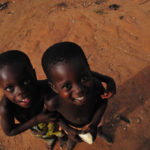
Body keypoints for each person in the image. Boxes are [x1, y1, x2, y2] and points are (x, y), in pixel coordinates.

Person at [42, 42, 116, 150]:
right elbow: (54, 117)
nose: (79, 90)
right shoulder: (52, 101)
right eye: (67, 86)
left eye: (84, 78)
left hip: (95, 119)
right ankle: (71, 141)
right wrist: (67, 128)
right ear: (54, 88)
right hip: (71, 126)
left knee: (99, 128)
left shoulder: (95, 85)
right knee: (73, 137)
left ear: (88, 70)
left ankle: (99, 132)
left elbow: (103, 101)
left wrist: (94, 123)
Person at [0, 50, 62, 150]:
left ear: (33, 74)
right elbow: (9, 131)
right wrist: (37, 120)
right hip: (33, 126)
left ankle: (63, 139)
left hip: (52, 119)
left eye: (26, 81)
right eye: (10, 88)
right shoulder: (5, 108)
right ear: (2, 88)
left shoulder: (43, 87)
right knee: (45, 136)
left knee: (60, 131)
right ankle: (50, 141)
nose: (21, 92)